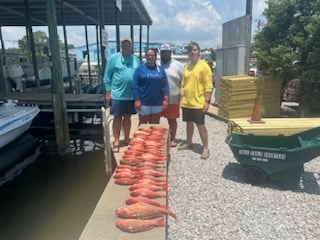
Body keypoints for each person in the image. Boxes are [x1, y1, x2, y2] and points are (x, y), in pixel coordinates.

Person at [103, 37, 140, 153]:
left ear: (132, 46)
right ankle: (116, 141)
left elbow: (139, 76)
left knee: (128, 117)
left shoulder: (136, 60)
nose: (127, 47)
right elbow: (107, 77)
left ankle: (127, 138)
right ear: (121, 46)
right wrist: (108, 92)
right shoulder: (114, 58)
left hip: (131, 95)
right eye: (124, 44)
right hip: (117, 95)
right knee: (117, 118)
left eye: (129, 45)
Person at [178, 41, 213, 160]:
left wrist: (207, 101)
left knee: (201, 126)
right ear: (188, 53)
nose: (192, 52)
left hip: (199, 102)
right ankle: (189, 143)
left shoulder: (204, 66)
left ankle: (206, 148)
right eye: (190, 50)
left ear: (199, 52)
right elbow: (183, 84)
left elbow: (209, 85)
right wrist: (181, 99)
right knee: (188, 124)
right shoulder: (186, 67)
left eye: (194, 50)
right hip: (187, 102)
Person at [132, 48, 169, 125]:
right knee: (143, 125)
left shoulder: (160, 69)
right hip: (144, 103)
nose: (150, 57)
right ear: (145, 56)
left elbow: (165, 85)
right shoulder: (140, 68)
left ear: (155, 57)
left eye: (152, 55)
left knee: (155, 125)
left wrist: (166, 99)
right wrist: (136, 99)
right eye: (148, 55)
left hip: (157, 102)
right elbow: (135, 85)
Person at [159, 43, 184, 147]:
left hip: (173, 99)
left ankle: (173, 139)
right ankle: (158, 138)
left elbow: (184, 83)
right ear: (160, 53)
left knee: (172, 120)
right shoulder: (156, 64)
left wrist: (182, 98)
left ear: (170, 53)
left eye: (167, 52)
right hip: (158, 99)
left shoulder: (179, 65)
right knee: (155, 119)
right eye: (163, 52)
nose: (165, 54)